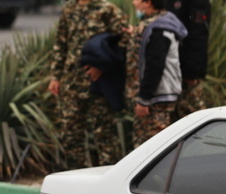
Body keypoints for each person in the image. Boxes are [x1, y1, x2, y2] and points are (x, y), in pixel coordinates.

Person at [48, 0, 129, 169]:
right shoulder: (70, 9)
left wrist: (103, 66)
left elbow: (124, 40)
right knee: (70, 135)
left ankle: (109, 181)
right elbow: (61, 43)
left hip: (99, 84)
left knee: (105, 136)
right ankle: (75, 177)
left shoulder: (107, 10)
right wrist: (55, 76)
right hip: (72, 84)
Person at [127, 0, 187, 148]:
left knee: (153, 147)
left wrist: (144, 98)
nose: (133, 2)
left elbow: (155, 64)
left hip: (156, 97)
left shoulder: (159, 27)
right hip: (153, 96)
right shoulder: (153, 23)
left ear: (148, 3)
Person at [167, 0, 210, 119]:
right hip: (170, 70)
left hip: (188, 71)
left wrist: (193, 72)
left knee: (193, 116)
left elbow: (198, 36)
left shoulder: (197, 3)